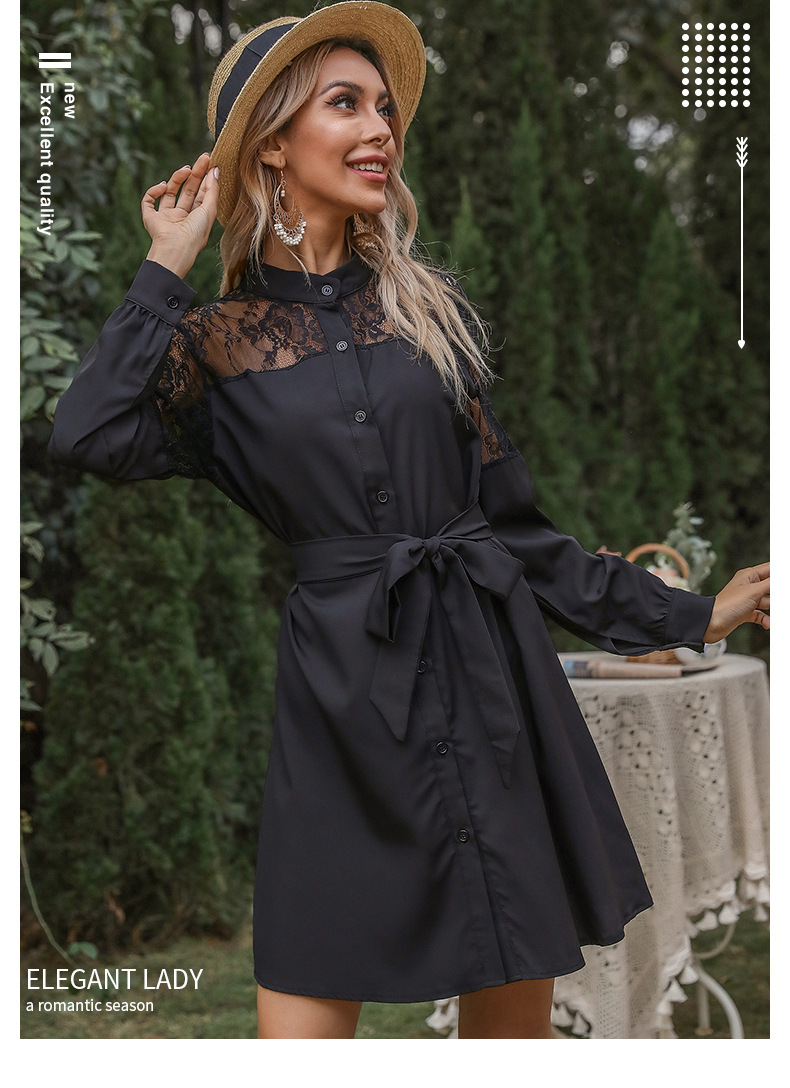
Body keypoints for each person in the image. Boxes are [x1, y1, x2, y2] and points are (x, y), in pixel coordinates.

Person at [48, 1, 770, 1040]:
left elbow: (516, 533)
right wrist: (167, 265)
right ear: (272, 145)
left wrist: (691, 612)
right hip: (342, 706)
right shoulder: (215, 344)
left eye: (384, 107)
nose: (380, 127)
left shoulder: (431, 315)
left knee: (507, 1031)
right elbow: (85, 434)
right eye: (345, 104)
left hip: (488, 684)